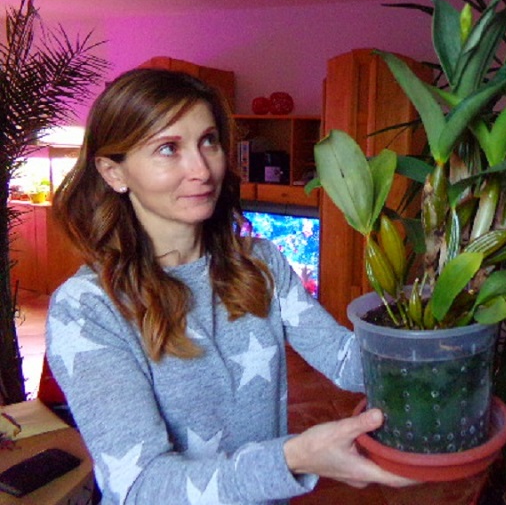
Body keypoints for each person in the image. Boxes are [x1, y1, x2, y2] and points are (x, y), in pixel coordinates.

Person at [46, 68, 414, 504]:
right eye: (168, 148)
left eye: (209, 141)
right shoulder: (87, 308)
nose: (201, 169)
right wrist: (293, 459)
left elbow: (344, 360)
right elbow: (141, 486)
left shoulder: (260, 263)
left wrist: (438, 341)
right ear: (113, 172)